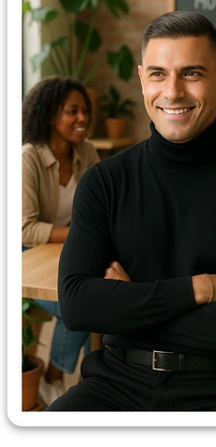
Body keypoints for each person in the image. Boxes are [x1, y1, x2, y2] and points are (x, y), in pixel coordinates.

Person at [45, 10, 216, 412]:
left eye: (192, 73)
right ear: (143, 78)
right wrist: (199, 289)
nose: (174, 91)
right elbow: (77, 304)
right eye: (159, 74)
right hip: (116, 383)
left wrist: (127, 303)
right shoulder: (103, 181)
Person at [22, 76, 101, 406]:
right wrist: (81, 234)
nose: (82, 118)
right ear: (51, 115)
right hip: (30, 256)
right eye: (73, 111)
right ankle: (53, 379)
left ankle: (93, 383)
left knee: (100, 300)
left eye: (85, 110)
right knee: (79, 305)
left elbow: (103, 209)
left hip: (70, 252)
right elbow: (24, 229)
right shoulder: (29, 157)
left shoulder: (88, 151)